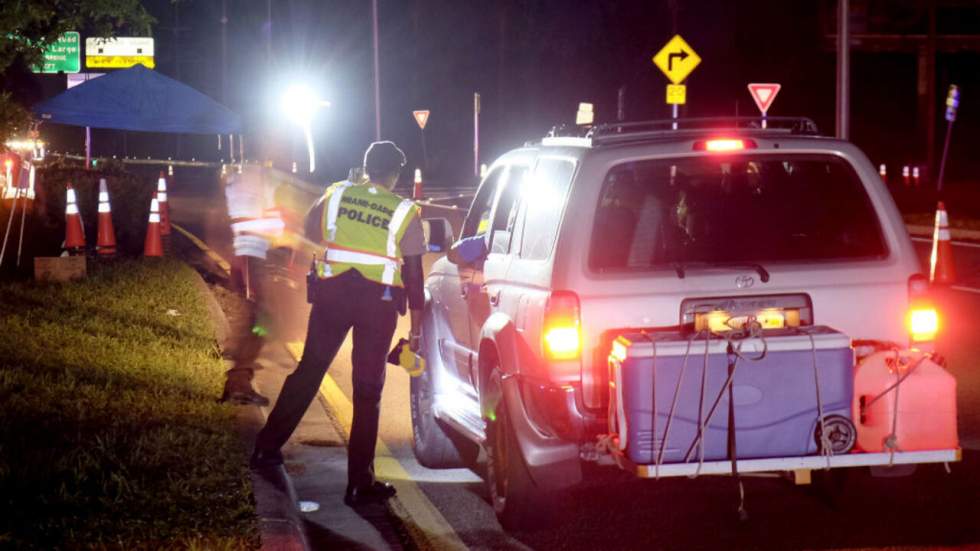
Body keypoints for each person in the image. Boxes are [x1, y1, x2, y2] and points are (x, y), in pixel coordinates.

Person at [251, 141, 426, 507]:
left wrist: (298, 271)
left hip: (332, 297)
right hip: (377, 308)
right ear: (394, 175)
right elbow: (414, 277)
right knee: (367, 391)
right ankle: (359, 484)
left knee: (309, 371)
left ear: (364, 167)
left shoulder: (336, 194)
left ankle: (266, 448)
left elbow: (309, 232)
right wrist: (417, 326)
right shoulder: (405, 211)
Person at [221, 163, 282, 406]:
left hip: (243, 256)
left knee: (257, 319)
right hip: (252, 257)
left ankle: (239, 375)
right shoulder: (263, 178)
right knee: (262, 320)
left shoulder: (236, 178)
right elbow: (272, 223)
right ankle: (238, 381)